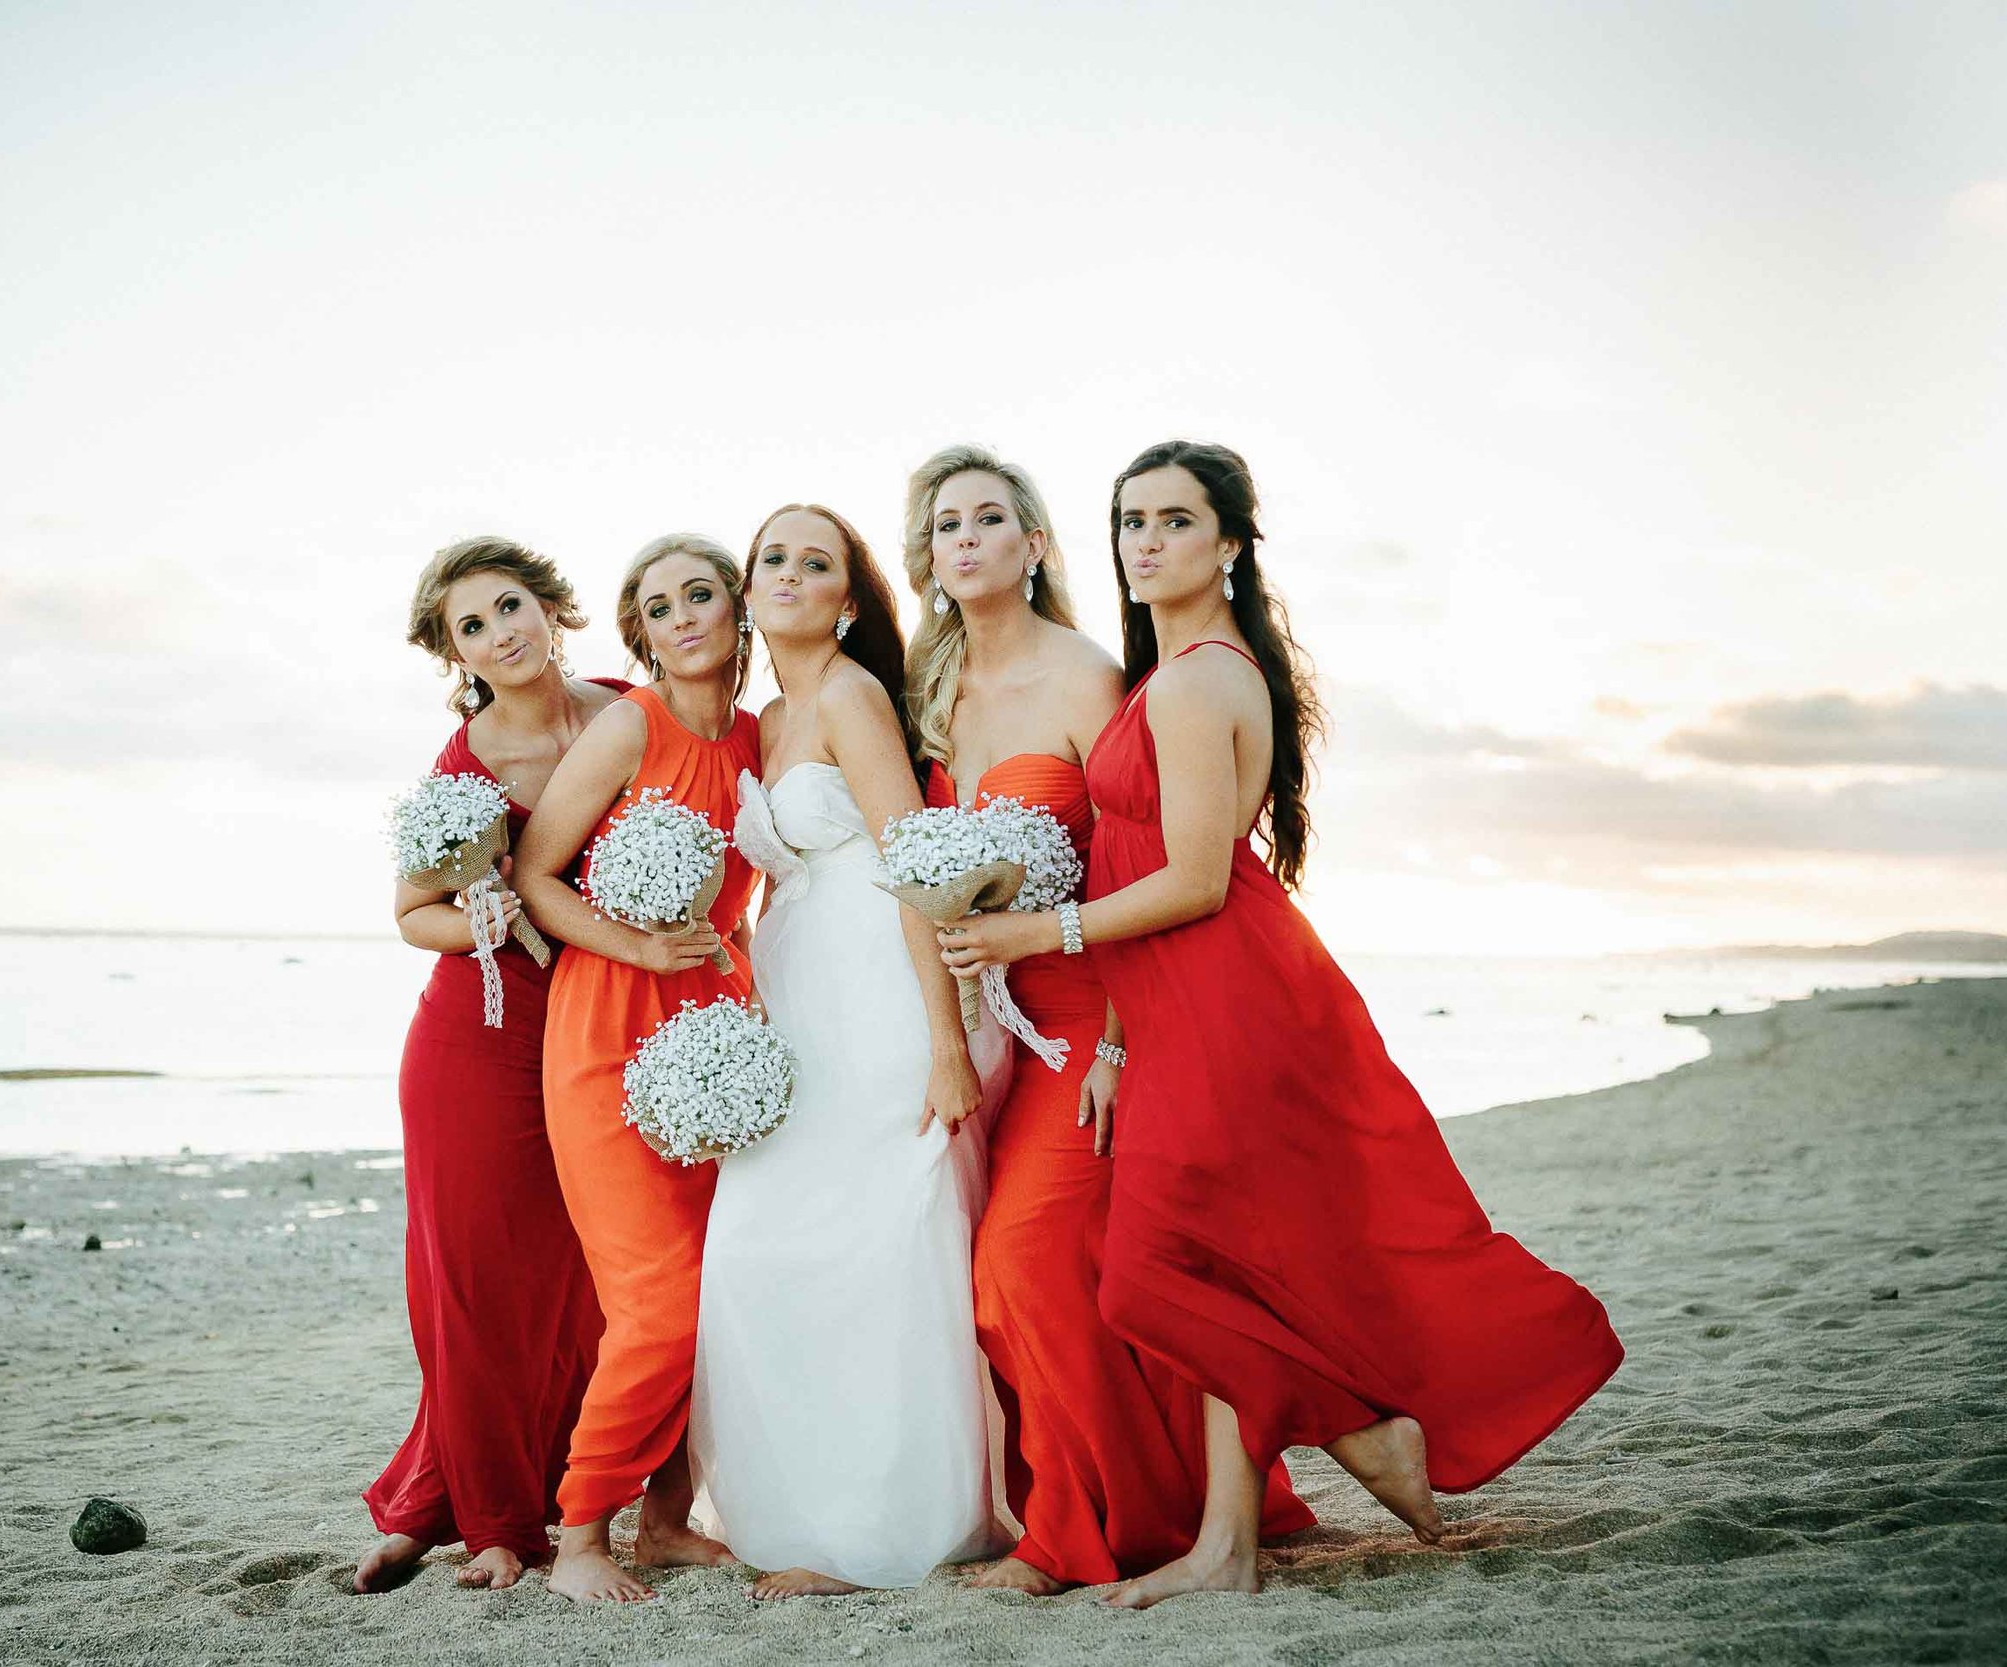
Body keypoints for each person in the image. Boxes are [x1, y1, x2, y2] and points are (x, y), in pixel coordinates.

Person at [938, 440, 1624, 1603]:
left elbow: (1198, 877)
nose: (1145, 542)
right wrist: (1108, 1035)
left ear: (1230, 544)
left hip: (1225, 994)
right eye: (1129, 521)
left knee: (1145, 1281)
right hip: (1168, 1004)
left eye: (1173, 520)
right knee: (1213, 1266)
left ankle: (1366, 1433)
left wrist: (1033, 939)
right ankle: (1228, 1544)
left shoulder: (1203, 676)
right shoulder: (1163, 676)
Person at [905, 443, 1313, 1594]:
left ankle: (1068, 1537)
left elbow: (1141, 866)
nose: (969, 539)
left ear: (1037, 544)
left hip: (1090, 1013)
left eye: (994, 517)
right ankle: (1140, 1509)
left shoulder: (1093, 677)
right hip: (1001, 1022)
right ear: (929, 557)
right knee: (1045, 1275)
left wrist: (1123, 1040)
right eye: (948, 525)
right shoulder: (933, 690)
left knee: (1021, 1265)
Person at [689, 503, 999, 1598]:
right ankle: (798, 1511)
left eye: (812, 561)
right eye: (770, 555)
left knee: (877, 1249)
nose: (785, 573)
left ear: (849, 598)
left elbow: (911, 861)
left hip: (878, 990)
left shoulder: (855, 695)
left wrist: (945, 1039)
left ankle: (881, 1531)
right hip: (796, 993)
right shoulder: (766, 714)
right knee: (758, 1250)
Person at [357, 537, 626, 1592]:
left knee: (573, 1286)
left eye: (509, 605)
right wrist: (481, 916)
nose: (500, 632)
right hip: (473, 1038)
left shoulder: (628, 715)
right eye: (472, 625)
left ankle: (446, 1504)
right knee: (469, 1287)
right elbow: (408, 913)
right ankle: (492, 1522)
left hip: (603, 1027)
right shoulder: (462, 762)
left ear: (551, 607)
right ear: (454, 653)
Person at [514, 534, 762, 1604]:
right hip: (607, 1024)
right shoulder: (629, 724)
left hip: (719, 1036)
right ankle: (581, 1532)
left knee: (720, 1287)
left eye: (699, 594)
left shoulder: (763, 737)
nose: (682, 617)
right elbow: (534, 876)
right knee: (657, 1298)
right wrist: (642, 946)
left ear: (734, 611)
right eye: (658, 606)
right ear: (641, 633)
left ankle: (665, 1520)